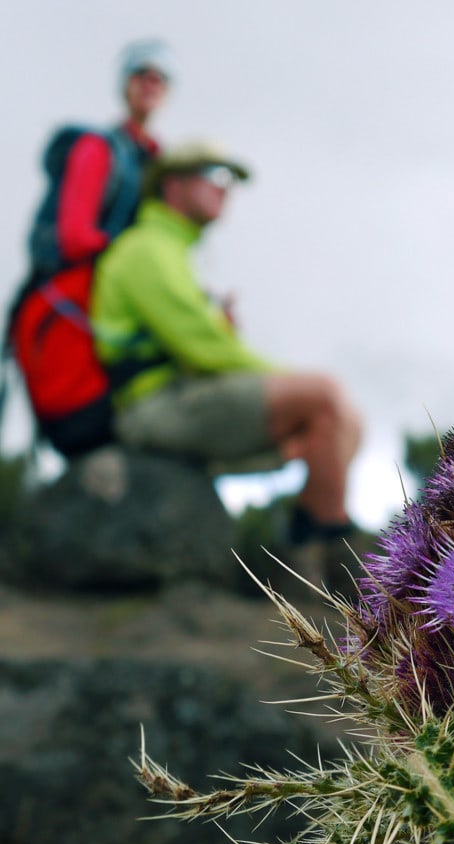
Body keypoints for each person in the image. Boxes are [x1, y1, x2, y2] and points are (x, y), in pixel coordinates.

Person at [91, 141, 363, 547]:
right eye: (215, 175)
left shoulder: (173, 250)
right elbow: (204, 348)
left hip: (182, 397)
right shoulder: (147, 249)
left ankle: (309, 540)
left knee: (348, 422)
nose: (226, 188)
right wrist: (295, 382)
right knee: (325, 398)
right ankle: (333, 549)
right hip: (150, 406)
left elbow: (201, 343)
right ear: (173, 185)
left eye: (231, 180)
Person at [5, 39, 174, 454]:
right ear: (125, 85)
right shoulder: (98, 149)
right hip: (73, 301)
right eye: (141, 75)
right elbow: (75, 236)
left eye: (159, 79)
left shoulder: (160, 164)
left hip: (110, 301)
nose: (149, 85)